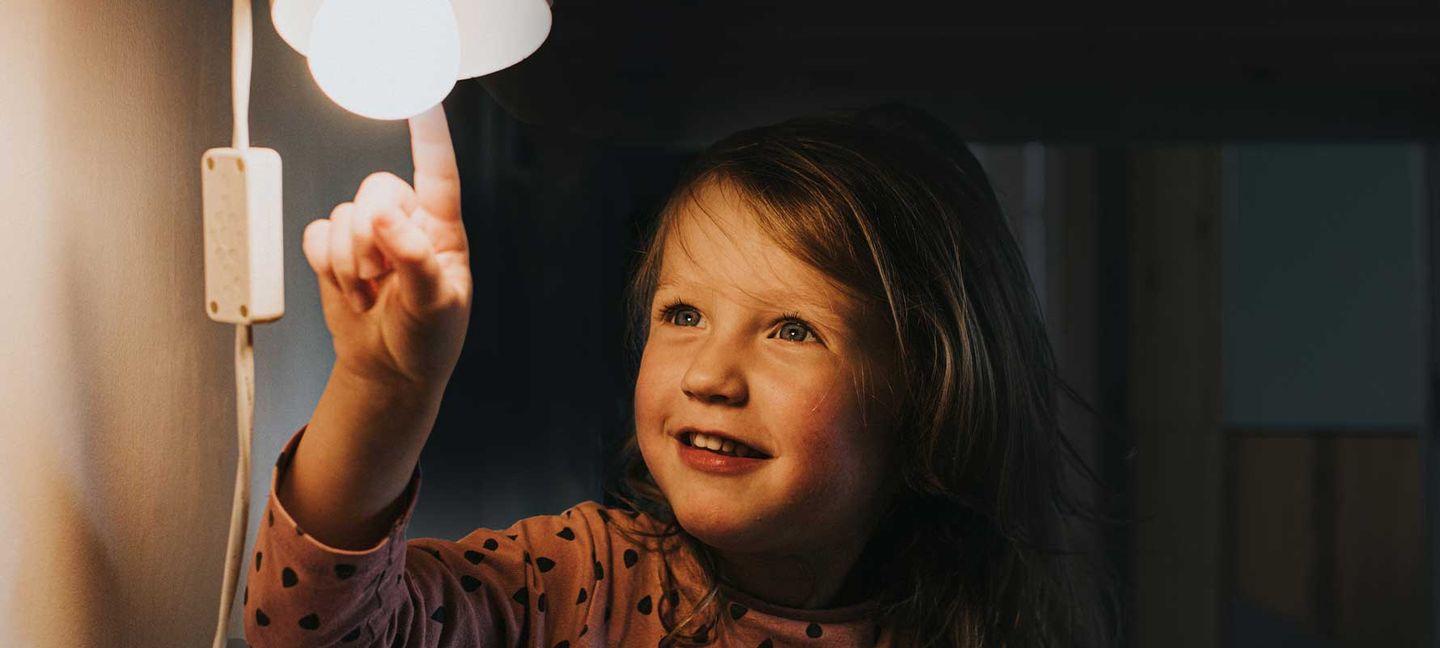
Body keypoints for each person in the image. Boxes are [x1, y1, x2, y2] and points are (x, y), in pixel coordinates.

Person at [242, 102, 1116, 647]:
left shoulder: (981, 628)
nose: (710, 376)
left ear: (929, 391)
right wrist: (386, 391)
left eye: (792, 330)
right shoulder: (580, 581)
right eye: (684, 314)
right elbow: (318, 631)